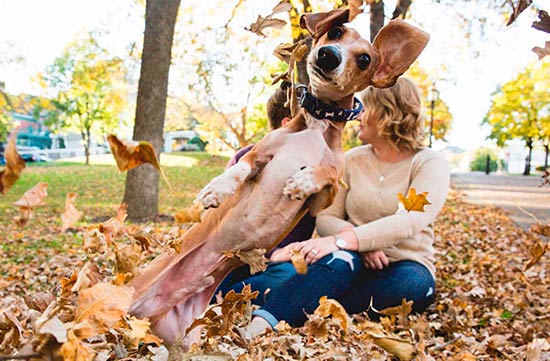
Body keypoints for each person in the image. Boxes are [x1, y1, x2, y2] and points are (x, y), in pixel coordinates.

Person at [244, 77, 450, 334]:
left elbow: (410, 220)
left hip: (404, 263)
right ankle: (265, 321)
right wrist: (356, 244)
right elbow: (326, 216)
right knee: (338, 261)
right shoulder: (352, 160)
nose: (358, 114)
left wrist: (348, 239)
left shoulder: (428, 163)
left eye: (366, 106)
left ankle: (299, 299)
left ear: (389, 112)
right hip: (349, 260)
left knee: (415, 286)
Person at [216, 83, 316, 302]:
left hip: (280, 269)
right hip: (235, 260)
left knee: (294, 278)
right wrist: (273, 254)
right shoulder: (246, 160)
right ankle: (224, 299)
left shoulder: (315, 171)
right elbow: (225, 228)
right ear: (289, 125)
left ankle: (232, 298)